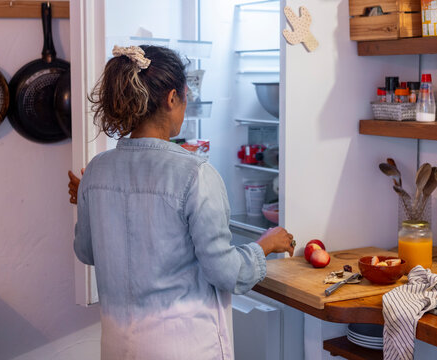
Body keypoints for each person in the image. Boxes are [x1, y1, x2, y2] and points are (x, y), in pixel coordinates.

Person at [70, 44, 295, 360]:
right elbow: (226, 273)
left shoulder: (97, 170)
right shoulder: (196, 173)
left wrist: (94, 202)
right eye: (186, 98)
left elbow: (86, 251)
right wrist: (266, 245)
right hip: (184, 345)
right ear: (172, 98)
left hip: (118, 344)